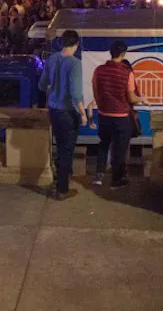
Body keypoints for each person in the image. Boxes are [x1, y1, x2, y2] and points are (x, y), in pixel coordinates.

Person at [91, 40, 147, 188]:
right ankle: (116, 180)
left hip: (104, 115)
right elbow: (131, 97)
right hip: (121, 117)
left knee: (103, 144)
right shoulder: (126, 72)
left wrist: (103, 106)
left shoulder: (98, 70)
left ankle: (98, 175)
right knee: (119, 149)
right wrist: (142, 99)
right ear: (123, 54)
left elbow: (96, 92)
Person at [39, 29, 86, 200]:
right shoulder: (75, 63)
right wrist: (83, 113)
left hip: (54, 110)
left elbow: (42, 84)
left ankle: (60, 180)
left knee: (60, 148)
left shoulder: (51, 59)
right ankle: (62, 189)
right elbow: (75, 93)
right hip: (68, 112)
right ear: (76, 44)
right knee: (67, 151)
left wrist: (53, 88)